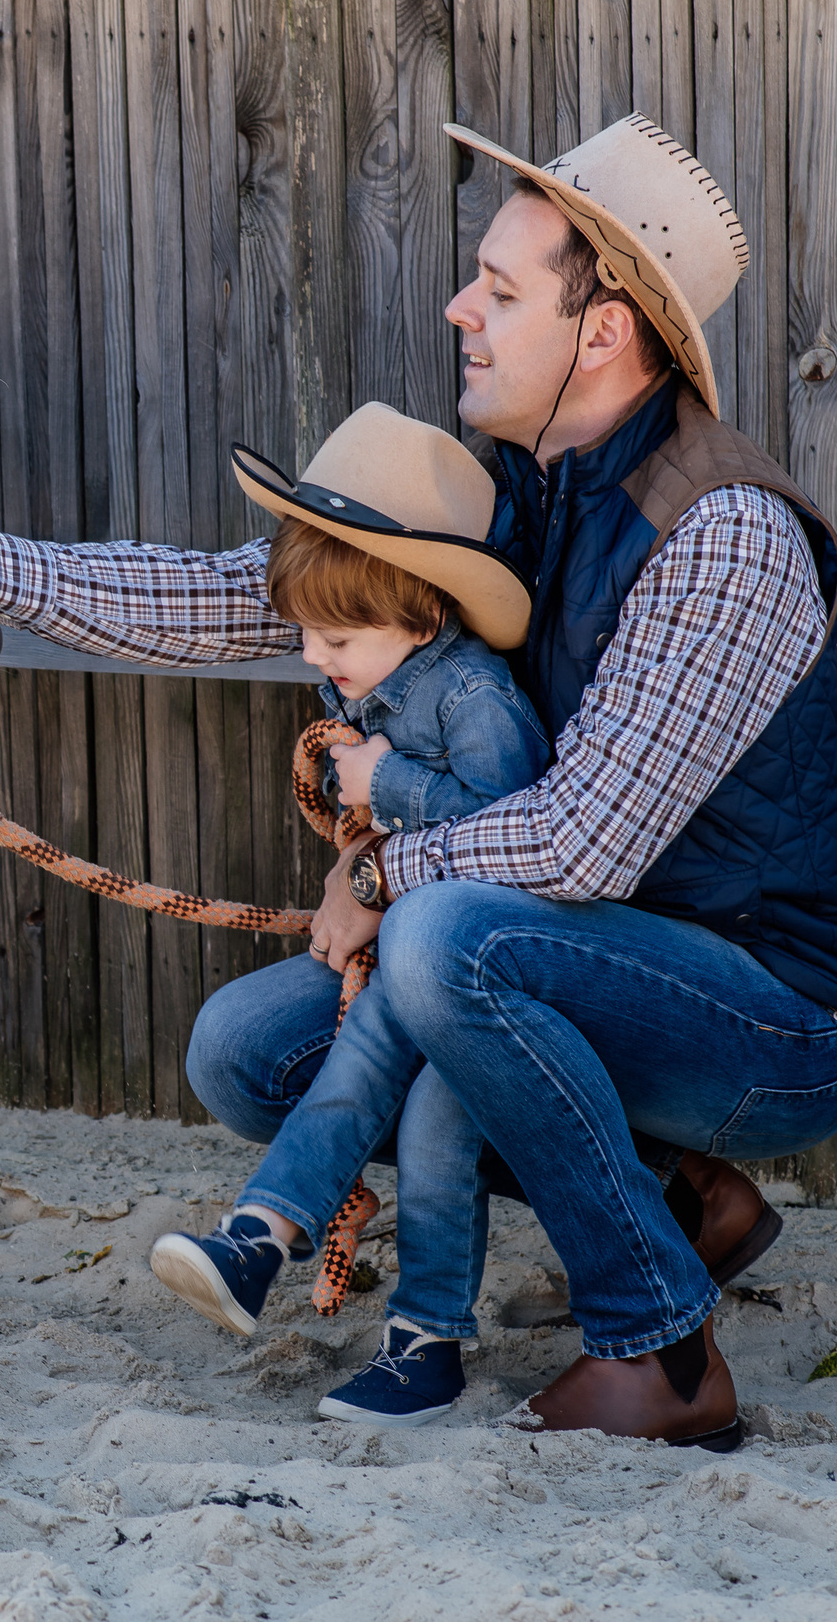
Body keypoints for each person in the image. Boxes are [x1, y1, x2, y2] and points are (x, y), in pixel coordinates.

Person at [0, 114, 837, 1450]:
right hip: (595, 959)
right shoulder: (518, 492)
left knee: (447, 939)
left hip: (781, 1014)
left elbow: (580, 846)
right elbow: (249, 595)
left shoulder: (724, 534)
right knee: (250, 1050)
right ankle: (679, 1197)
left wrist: (377, 868)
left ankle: (662, 1341)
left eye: (502, 289)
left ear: (605, 332)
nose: (463, 306)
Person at [138, 407, 552, 1435]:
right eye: (307, 635)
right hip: (418, 949)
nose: (318, 659)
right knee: (369, 1088)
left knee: (424, 1118)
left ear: (421, 613)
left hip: (486, 958)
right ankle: (274, 1246)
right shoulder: (371, 677)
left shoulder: (473, 697)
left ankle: (400, 1321)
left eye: (339, 637)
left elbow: (526, 831)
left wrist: (386, 779)